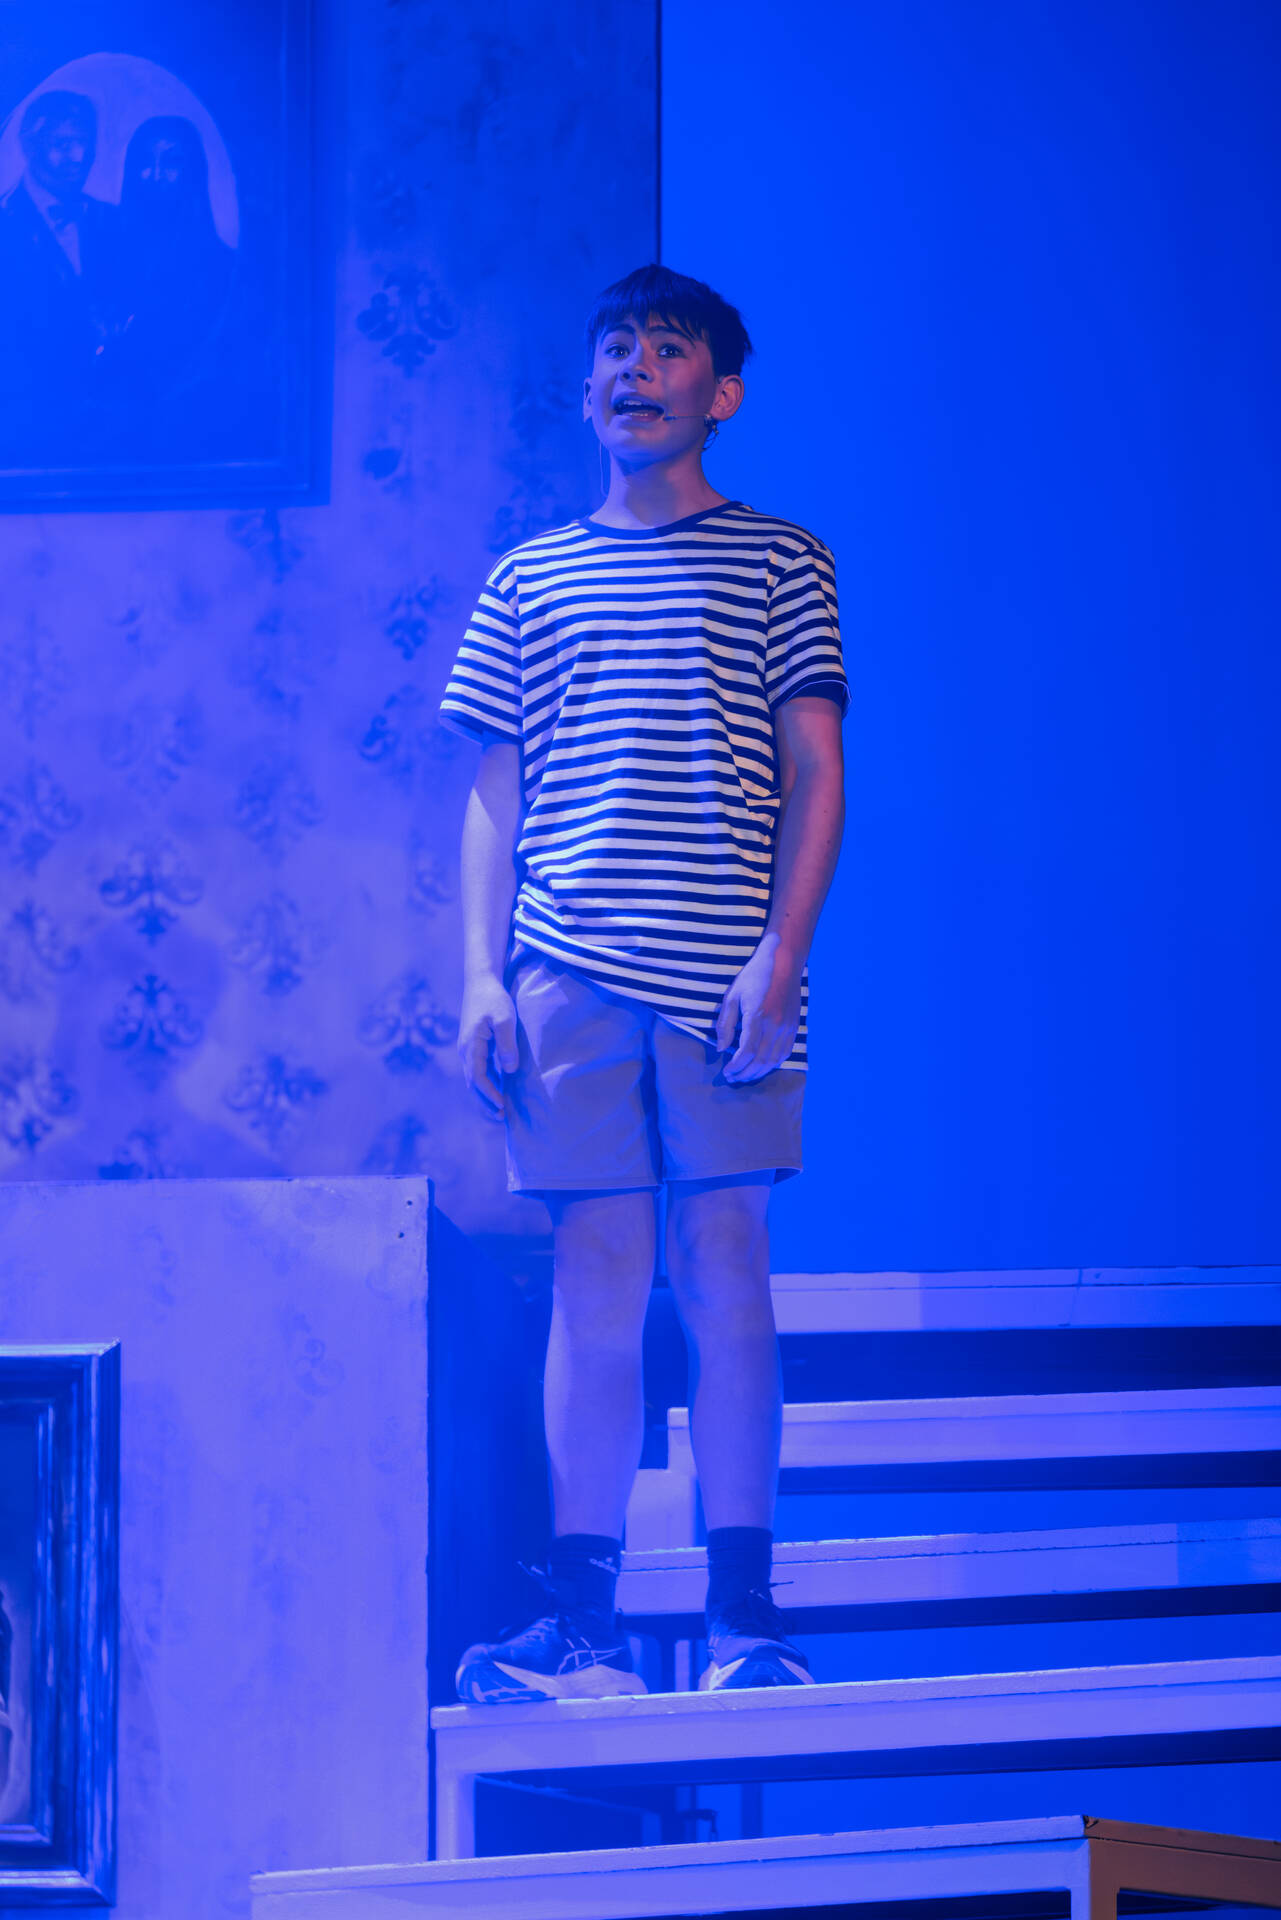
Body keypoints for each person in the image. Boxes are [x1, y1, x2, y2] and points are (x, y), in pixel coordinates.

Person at [440, 264, 847, 1701]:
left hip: (724, 971)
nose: (634, 368)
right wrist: (480, 977)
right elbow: (493, 793)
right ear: (587, 386)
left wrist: (782, 955)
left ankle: (746, 1620)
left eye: (666, 350)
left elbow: (815, 772)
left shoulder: (781, 558)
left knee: (725, 1259)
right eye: (615, 346)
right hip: (564, 971)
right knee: (596, 1275)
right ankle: (583, 1626)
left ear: (718, 393)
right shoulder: (528, 576)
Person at [0, 91, 129, 461]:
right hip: (27, 422)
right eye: (62, 144)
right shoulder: (4, 225)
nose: (78, 157)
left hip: (108, 422)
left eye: (85, 143)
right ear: (30, 147)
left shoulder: (112, 220)